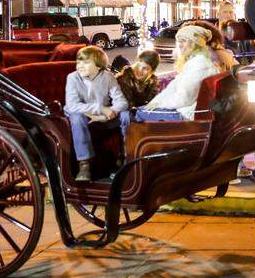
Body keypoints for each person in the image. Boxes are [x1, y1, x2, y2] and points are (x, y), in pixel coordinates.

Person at [65, 46, 130, 182]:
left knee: (126, 115)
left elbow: (122, 101)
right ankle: (84, 165)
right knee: (77, 117)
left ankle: (126, 157)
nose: (80, 65)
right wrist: (101, 109)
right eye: (79, 62)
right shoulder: (72, 77)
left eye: (86, 62)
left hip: (103, 117)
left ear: (98, 66)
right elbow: (72, 105)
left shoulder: (108, 77)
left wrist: (108, 113)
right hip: (83, 115)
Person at [136, 25, 221, 122]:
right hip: (185, 111)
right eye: (179, 41)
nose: (179, 45)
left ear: (195, 43)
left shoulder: (199, 64)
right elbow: (172, 87)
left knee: (134, 114)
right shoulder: (195, 62)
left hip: (186, 115)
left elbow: (183, 98)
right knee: (137, 111)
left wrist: (159, 104)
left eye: (183, 41)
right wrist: (155, 103)